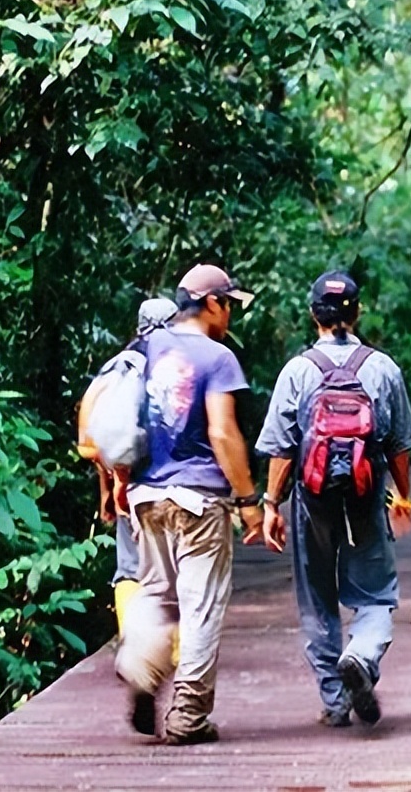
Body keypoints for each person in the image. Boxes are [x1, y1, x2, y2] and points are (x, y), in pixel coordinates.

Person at [253, 271, 411, 728]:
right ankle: (361, 657)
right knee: (377, 595)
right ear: (357, 311)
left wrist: (270, 505)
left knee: (317, 599)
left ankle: (335, 701)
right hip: (366, 498)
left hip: (313, 502)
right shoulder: (382, 367)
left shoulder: (297, 371)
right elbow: (400, 447)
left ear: (313, 315)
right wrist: (402, 497)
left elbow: (283, 449)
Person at [114, 263, 265, 746]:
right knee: (201, 605)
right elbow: (222, 432)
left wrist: (120, 481)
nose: (231, 318)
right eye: (230, 306)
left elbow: (110, 410)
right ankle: (189, 717)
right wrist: (248, 501)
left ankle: (139, 666)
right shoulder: (217, 358)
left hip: (146, 493)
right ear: (213, 304)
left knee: (156, 591)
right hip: (200, 498)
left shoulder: (145, 347)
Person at [76, 298, 179, 637]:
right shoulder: (174, 363)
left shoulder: (113, 368)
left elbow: (97, 437)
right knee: (176, 566)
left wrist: (108, 490)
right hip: (167, 481)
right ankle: (176, 651)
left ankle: (133, 640)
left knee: (130, 569)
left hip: (123, 478)